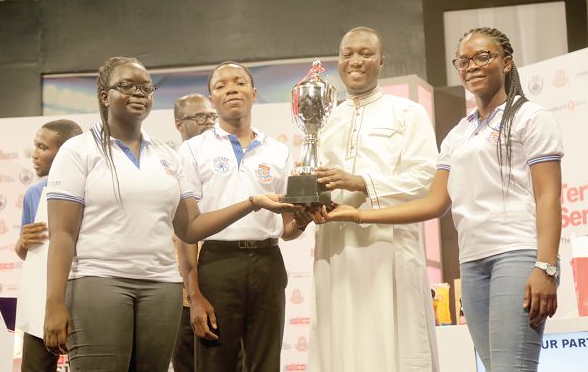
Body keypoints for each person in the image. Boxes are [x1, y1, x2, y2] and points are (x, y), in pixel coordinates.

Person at [321, 27, 563, 372]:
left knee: (513, 368)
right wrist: (357, 216)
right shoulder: (459, 133)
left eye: (483, 57)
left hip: (517, 255)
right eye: (463, 61)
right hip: (473, 263)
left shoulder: (530, 117)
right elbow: (434, 203)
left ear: (506, 62)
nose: (472, 67)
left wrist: (546, 266)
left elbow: (549, 194)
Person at [42, 56, 294, 372]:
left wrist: (253, 202)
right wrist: (53, 301)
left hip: (160, 286)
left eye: (146, 88)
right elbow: (63, 234)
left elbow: (190, 228)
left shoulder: (166, 156)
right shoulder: (79, 150)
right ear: (104, 95)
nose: (138, 93)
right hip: (99, 281)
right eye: (126, 86)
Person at [305, 27, 440, 372]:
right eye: (347, 53)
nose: (355, 61)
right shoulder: (323, 119)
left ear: (382, 60)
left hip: (389, 246)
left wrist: (363, 182)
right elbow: (314, 180)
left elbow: (425, 179)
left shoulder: (407, 113)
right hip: (336, 249)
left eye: (365, 53)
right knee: (341, 344)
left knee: (394, 344)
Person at [178, 61, 305, 372]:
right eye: (220, 86)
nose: (231, 89)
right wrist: (193, 294)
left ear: (254, 92)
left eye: (239, 82)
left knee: (266, 362)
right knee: (214, 363)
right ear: (212, 99)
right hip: (217, 264)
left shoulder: (278, 151)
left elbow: (288, 229)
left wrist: (305, 218)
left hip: (268, 261)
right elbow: (185, 231)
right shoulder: (193, 151)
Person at [15, 119, 82, 372]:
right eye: (35, 146)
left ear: (65, 151)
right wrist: (23, 241)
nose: (34, 155)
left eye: (42, 147)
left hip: (86, 293)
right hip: (42, 299)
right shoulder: (34, 193)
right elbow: (25, 253)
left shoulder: (94, 187)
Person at [171, 93, 217, 372]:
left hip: (220, 279)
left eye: (212, 116)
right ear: (179, 124)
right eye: (200, 117)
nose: (209, 122)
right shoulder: (167, 166)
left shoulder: (223, 166)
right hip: (178, 291)